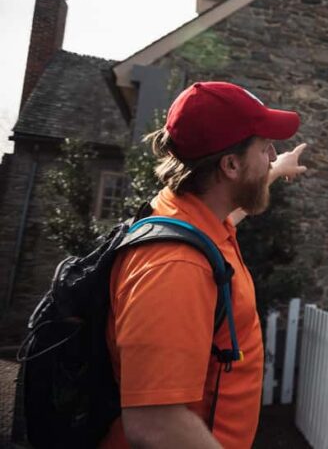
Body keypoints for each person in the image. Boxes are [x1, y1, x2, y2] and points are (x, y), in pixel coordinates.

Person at [100, 81, 307, 448]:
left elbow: (233, 212)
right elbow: (155, 423)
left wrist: (275, 171)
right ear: (230, 165)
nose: (273, 155)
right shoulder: (176, 266)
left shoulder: (187, 217)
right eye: (265, 148)